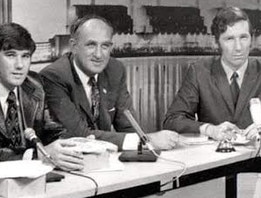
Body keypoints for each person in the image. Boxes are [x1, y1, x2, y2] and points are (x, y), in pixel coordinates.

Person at [0, 23, 84, 171]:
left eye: (25, 56)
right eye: (11, 55)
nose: (20, 65)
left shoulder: (35, 84)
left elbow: (53, 131)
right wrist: (35, 156)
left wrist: (73, 145)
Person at [163, 6, 261, 141]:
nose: (238, 47)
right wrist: (209, 130)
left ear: (251, 39)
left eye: (243, 38)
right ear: (216, 42)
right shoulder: (199, 72)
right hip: (213, 161)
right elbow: (172, 120)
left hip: (255, 161)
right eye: (229, 39)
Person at [40, 15, 179, 151]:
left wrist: (144, 143)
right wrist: (146, 141)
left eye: (105, 46)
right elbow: (79, 135)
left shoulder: (115, 70)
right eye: (91, 45)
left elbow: (129, 127)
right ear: (74, 46)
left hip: (105, 160)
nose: (99, 55)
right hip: (69, 162)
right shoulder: (54, 76)